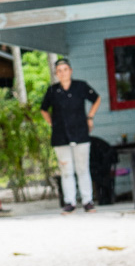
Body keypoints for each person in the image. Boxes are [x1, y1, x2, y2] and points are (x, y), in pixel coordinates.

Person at [38, 57, 101, 213]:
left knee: (83, 168)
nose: (63, 73)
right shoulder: (52, 90)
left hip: (80, 133)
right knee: (66, 171)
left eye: (65, 70)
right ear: (56, 74)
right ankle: (70, 202)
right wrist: (51, 123)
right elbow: (43, 109)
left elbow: (96, 98)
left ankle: (88, 201)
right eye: (59, 71)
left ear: (70, 71)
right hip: (61, 136)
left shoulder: (81, 86)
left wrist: (90, 117)